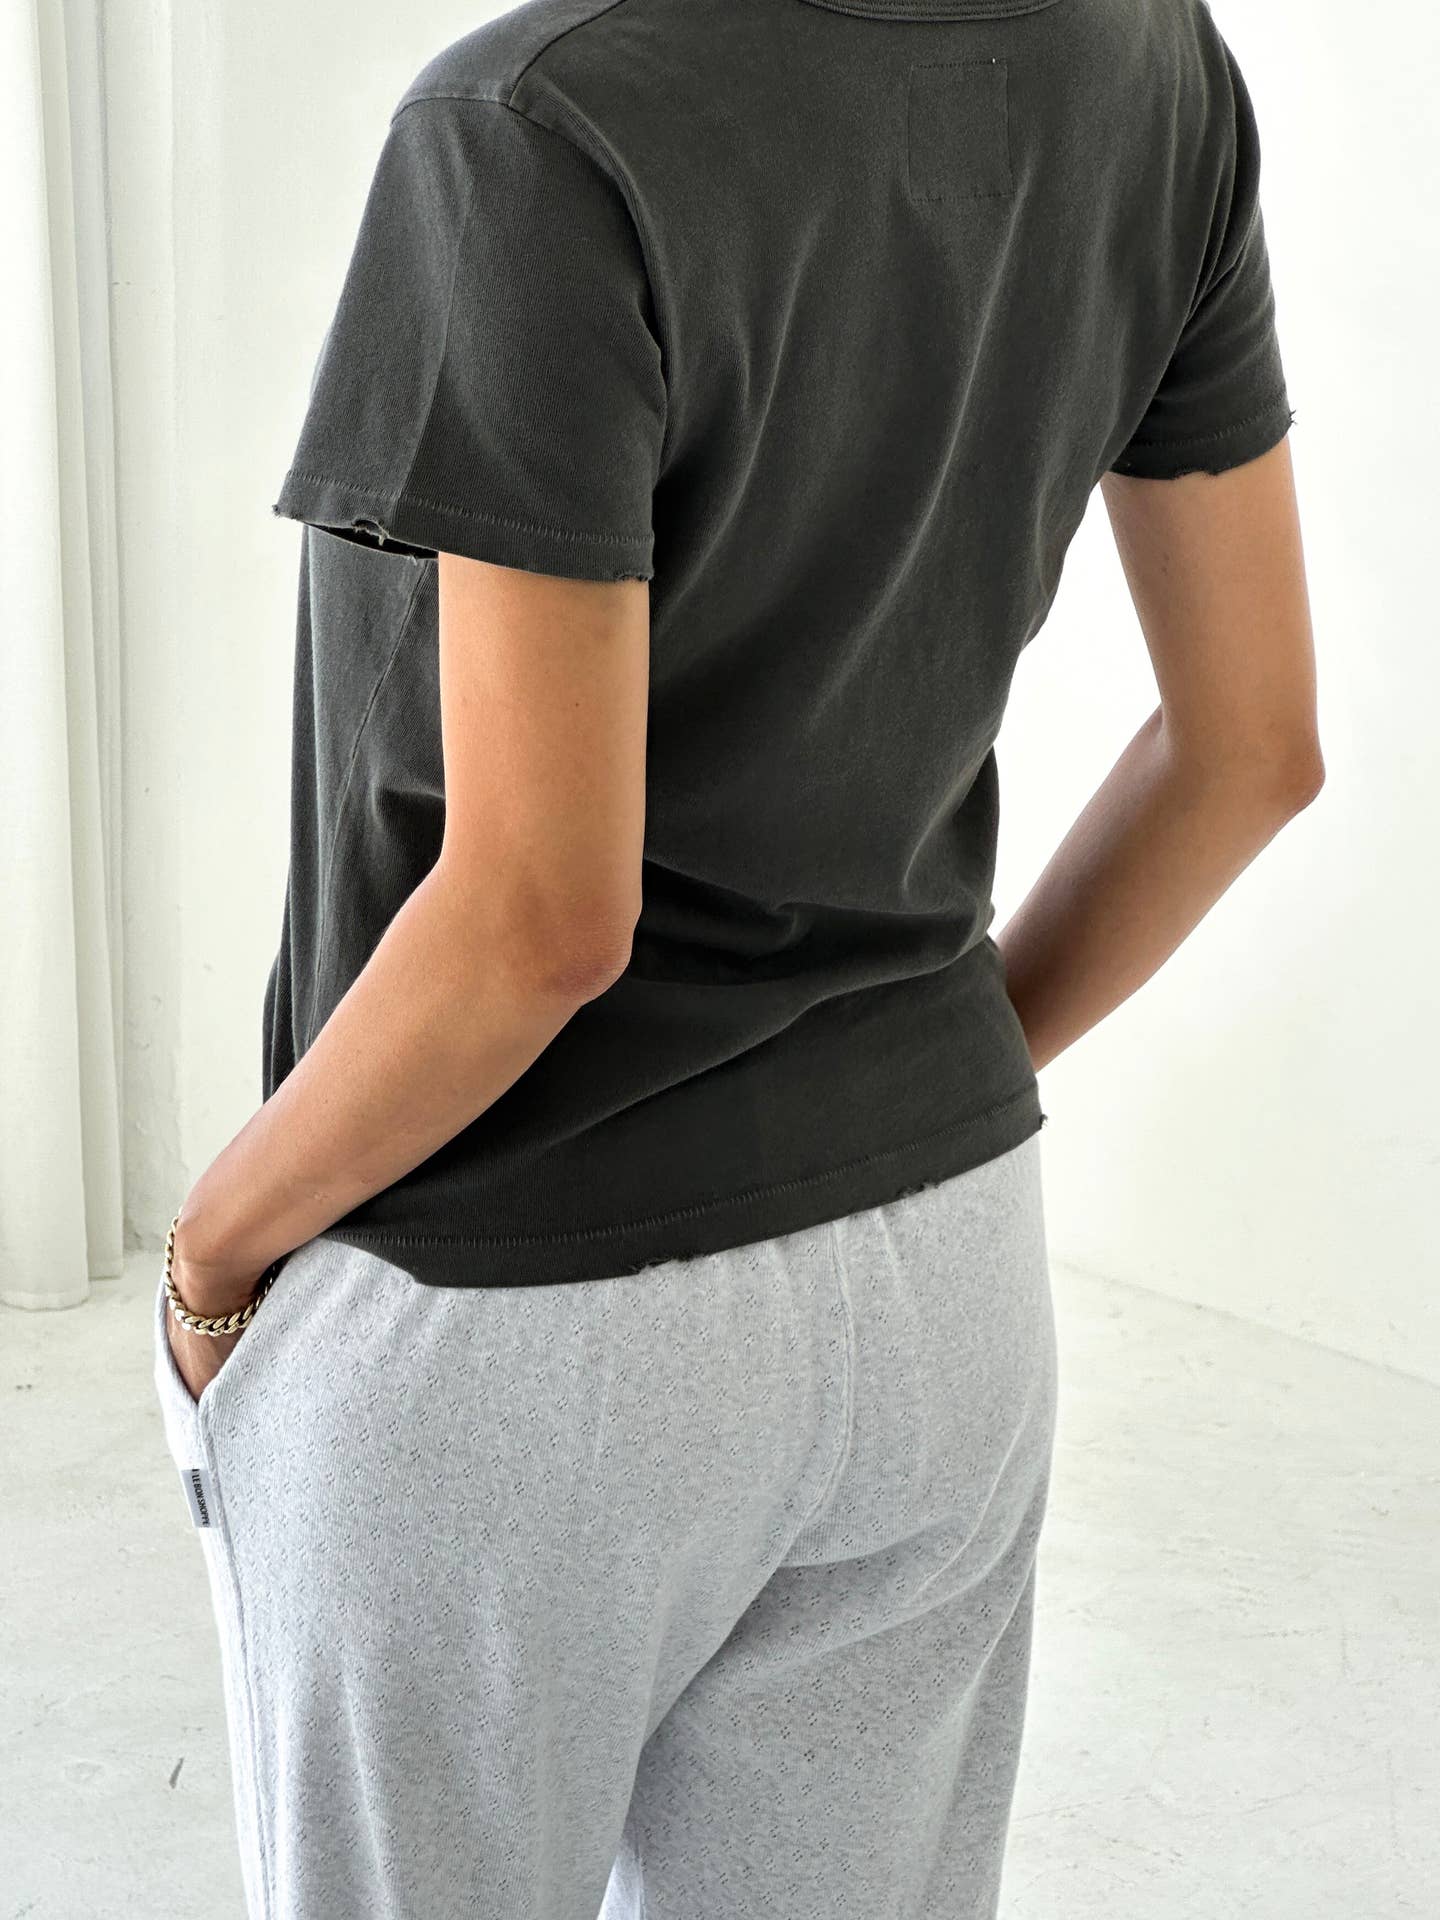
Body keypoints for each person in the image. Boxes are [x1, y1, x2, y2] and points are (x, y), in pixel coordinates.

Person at [151, 0, 1322, 1915]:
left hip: (516, 1304)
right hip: (945, 1282)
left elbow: (542, 917)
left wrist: (215, 1254)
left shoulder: (531, 128)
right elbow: (1254, 747)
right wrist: (909, 1082)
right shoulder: (1153, 61)